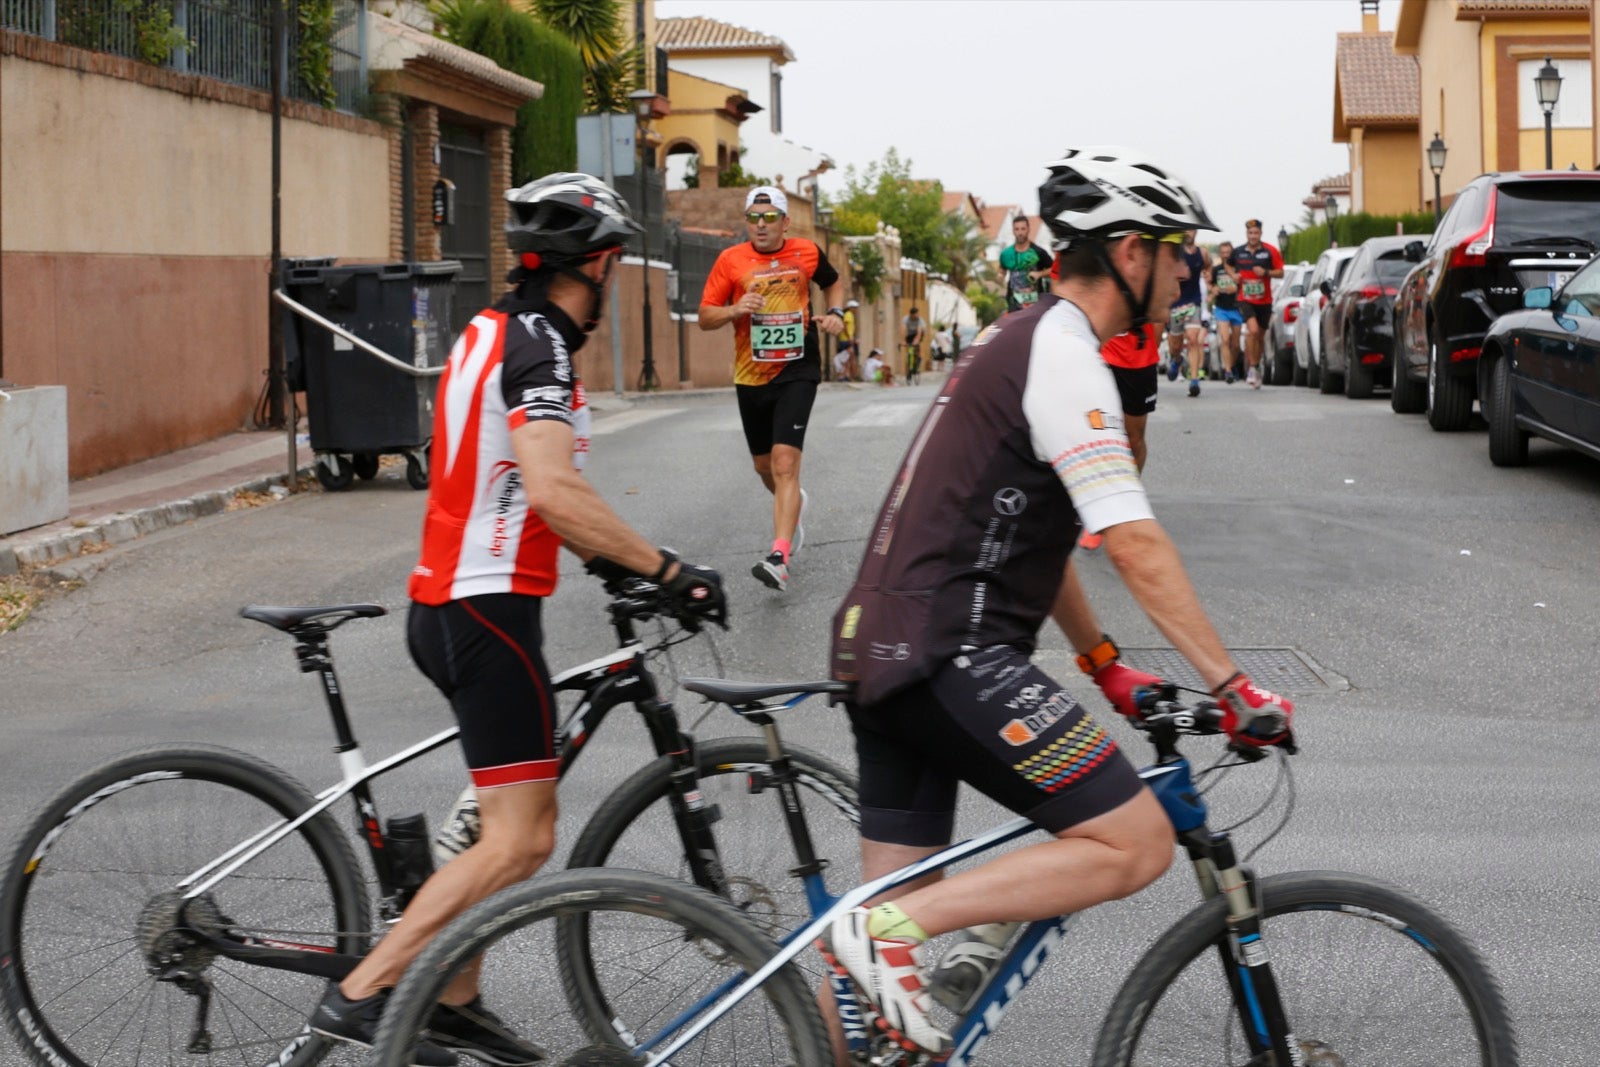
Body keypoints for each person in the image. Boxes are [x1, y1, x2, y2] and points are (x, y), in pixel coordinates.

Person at [823, 148, 1295, 1058]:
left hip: (882, 645)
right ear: (1129, 252)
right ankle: (883, 933)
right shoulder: (1069, 357)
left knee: (867, 980)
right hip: (950, 656)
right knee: (1134, 842)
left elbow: (1041, 541)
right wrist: (1232, 685)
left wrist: (1104, 663)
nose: (1188, 268)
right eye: (1175, 250)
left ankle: (876, 940)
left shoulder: (1024, 337)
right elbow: (1134, 542)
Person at [313, 173, 727, 1065]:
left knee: (502, 826)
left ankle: (454, 998)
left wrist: (608, 560)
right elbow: (549, 485)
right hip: (485, 609)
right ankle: (368, 990)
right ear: (602, 264)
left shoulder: (494, 328)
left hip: (457, 598)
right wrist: (665, 568)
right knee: (523, 836)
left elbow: (506, 481)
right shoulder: (542, 346)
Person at [699, 186, 846, 592]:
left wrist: (835, 313)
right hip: (751, 375)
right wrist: (735, 309)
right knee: (764, 467)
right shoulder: (730, 260)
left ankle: (779, 557)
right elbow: (705, 316)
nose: (760, 225)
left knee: (784, 464)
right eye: (753, 217)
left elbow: (834, 283)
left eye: (769, 217)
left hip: (798, 367)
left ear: (785, 222)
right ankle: (793, 501)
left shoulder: (807, 252)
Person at [1231, 219, 1283, 389]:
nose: (1253, 236)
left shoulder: (1270, 251)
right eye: (1250, 233)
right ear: (1246, 234)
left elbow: (1281, 272)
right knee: (1252, 331)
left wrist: (1265, 272)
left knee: (1259, 336)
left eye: (1256, 233)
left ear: (1261, 233)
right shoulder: (1238, 252)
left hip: (1264, 300)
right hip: (1245, 299)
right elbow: (1228, 265)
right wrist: (1233, 276)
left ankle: (1256, 365)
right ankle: (1253, 368)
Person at [1164, 230, 1210, 387]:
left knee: (1193, 339)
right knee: (1175, 345)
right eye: (1186, 230)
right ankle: (1177, 359)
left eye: (1191, 230)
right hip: (1176, 302)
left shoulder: (1202, 253)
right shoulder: (1175, 251)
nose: (1188, 233)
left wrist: (1208, 276)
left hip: (1193, 302)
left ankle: (1194, 380)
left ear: (1196, 231)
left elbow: (1208, 267)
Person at [1205, 240, 1243, 390]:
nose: (1225, 256)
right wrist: (1213, 289)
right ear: (1220, 255)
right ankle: (1227, 371)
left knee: (1236, 344)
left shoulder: (1237, 269)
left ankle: (1231, 365)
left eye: (1228, 253)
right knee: (1225, 340)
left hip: (1237, 308)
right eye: (1223, 253)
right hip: (1221, 308)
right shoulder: (1217, 269)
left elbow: (1244, 284)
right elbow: (1209, 283)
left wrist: (1236, 288)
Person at [998, 214, 1053, 313]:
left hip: (1036, 304)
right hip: (1014, 303)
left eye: (1023, 229)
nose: (1020, 233)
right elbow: (1002, 269)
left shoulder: (1038, 252)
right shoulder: (1006, 254)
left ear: (1028, 230)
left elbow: (1054, 269)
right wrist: (1000, 276)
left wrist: (1039, 274)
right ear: (1013, 231)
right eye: (1017, 229)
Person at [901, 306, 926, 385]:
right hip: (910, 334)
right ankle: (909, 371)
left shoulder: (920, 320)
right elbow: (903, 330)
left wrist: (917, 340)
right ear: (911, 315)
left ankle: (918, 358)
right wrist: (903, 340)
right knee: (909, 349)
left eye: (917, 314)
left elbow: (919, 332)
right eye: (915, 315)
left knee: (916, 345)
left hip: (920, 333)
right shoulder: (906, 319)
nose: (917, 316)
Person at [838, 298, 860, 380]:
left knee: (849, 358)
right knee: (849, 358)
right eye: (854, 307)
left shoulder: (850, 315)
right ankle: (846, 375)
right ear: (850, 307)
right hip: (846, 339)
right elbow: (845, 326)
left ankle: (847, 376)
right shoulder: (848, 314)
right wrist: (849, 337)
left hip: (848, 339)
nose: (856, 309)